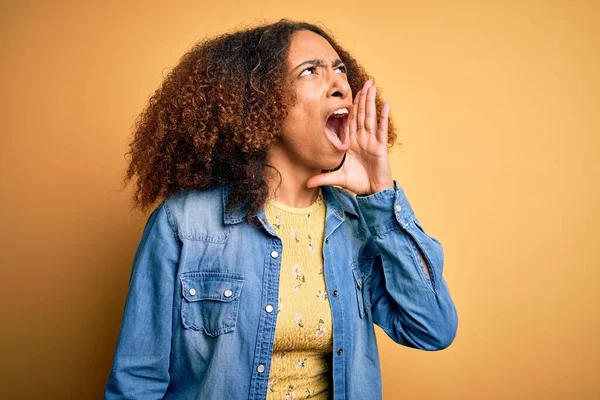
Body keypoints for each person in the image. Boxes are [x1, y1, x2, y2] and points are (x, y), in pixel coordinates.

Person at [105, 19, 458, 400]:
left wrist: (380, 193)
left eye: (340, 69)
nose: (340, 84)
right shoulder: (184, 224)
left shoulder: (356, 222)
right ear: (262, 104)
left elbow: (431, 328)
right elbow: (137, 382)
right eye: (311, 71)